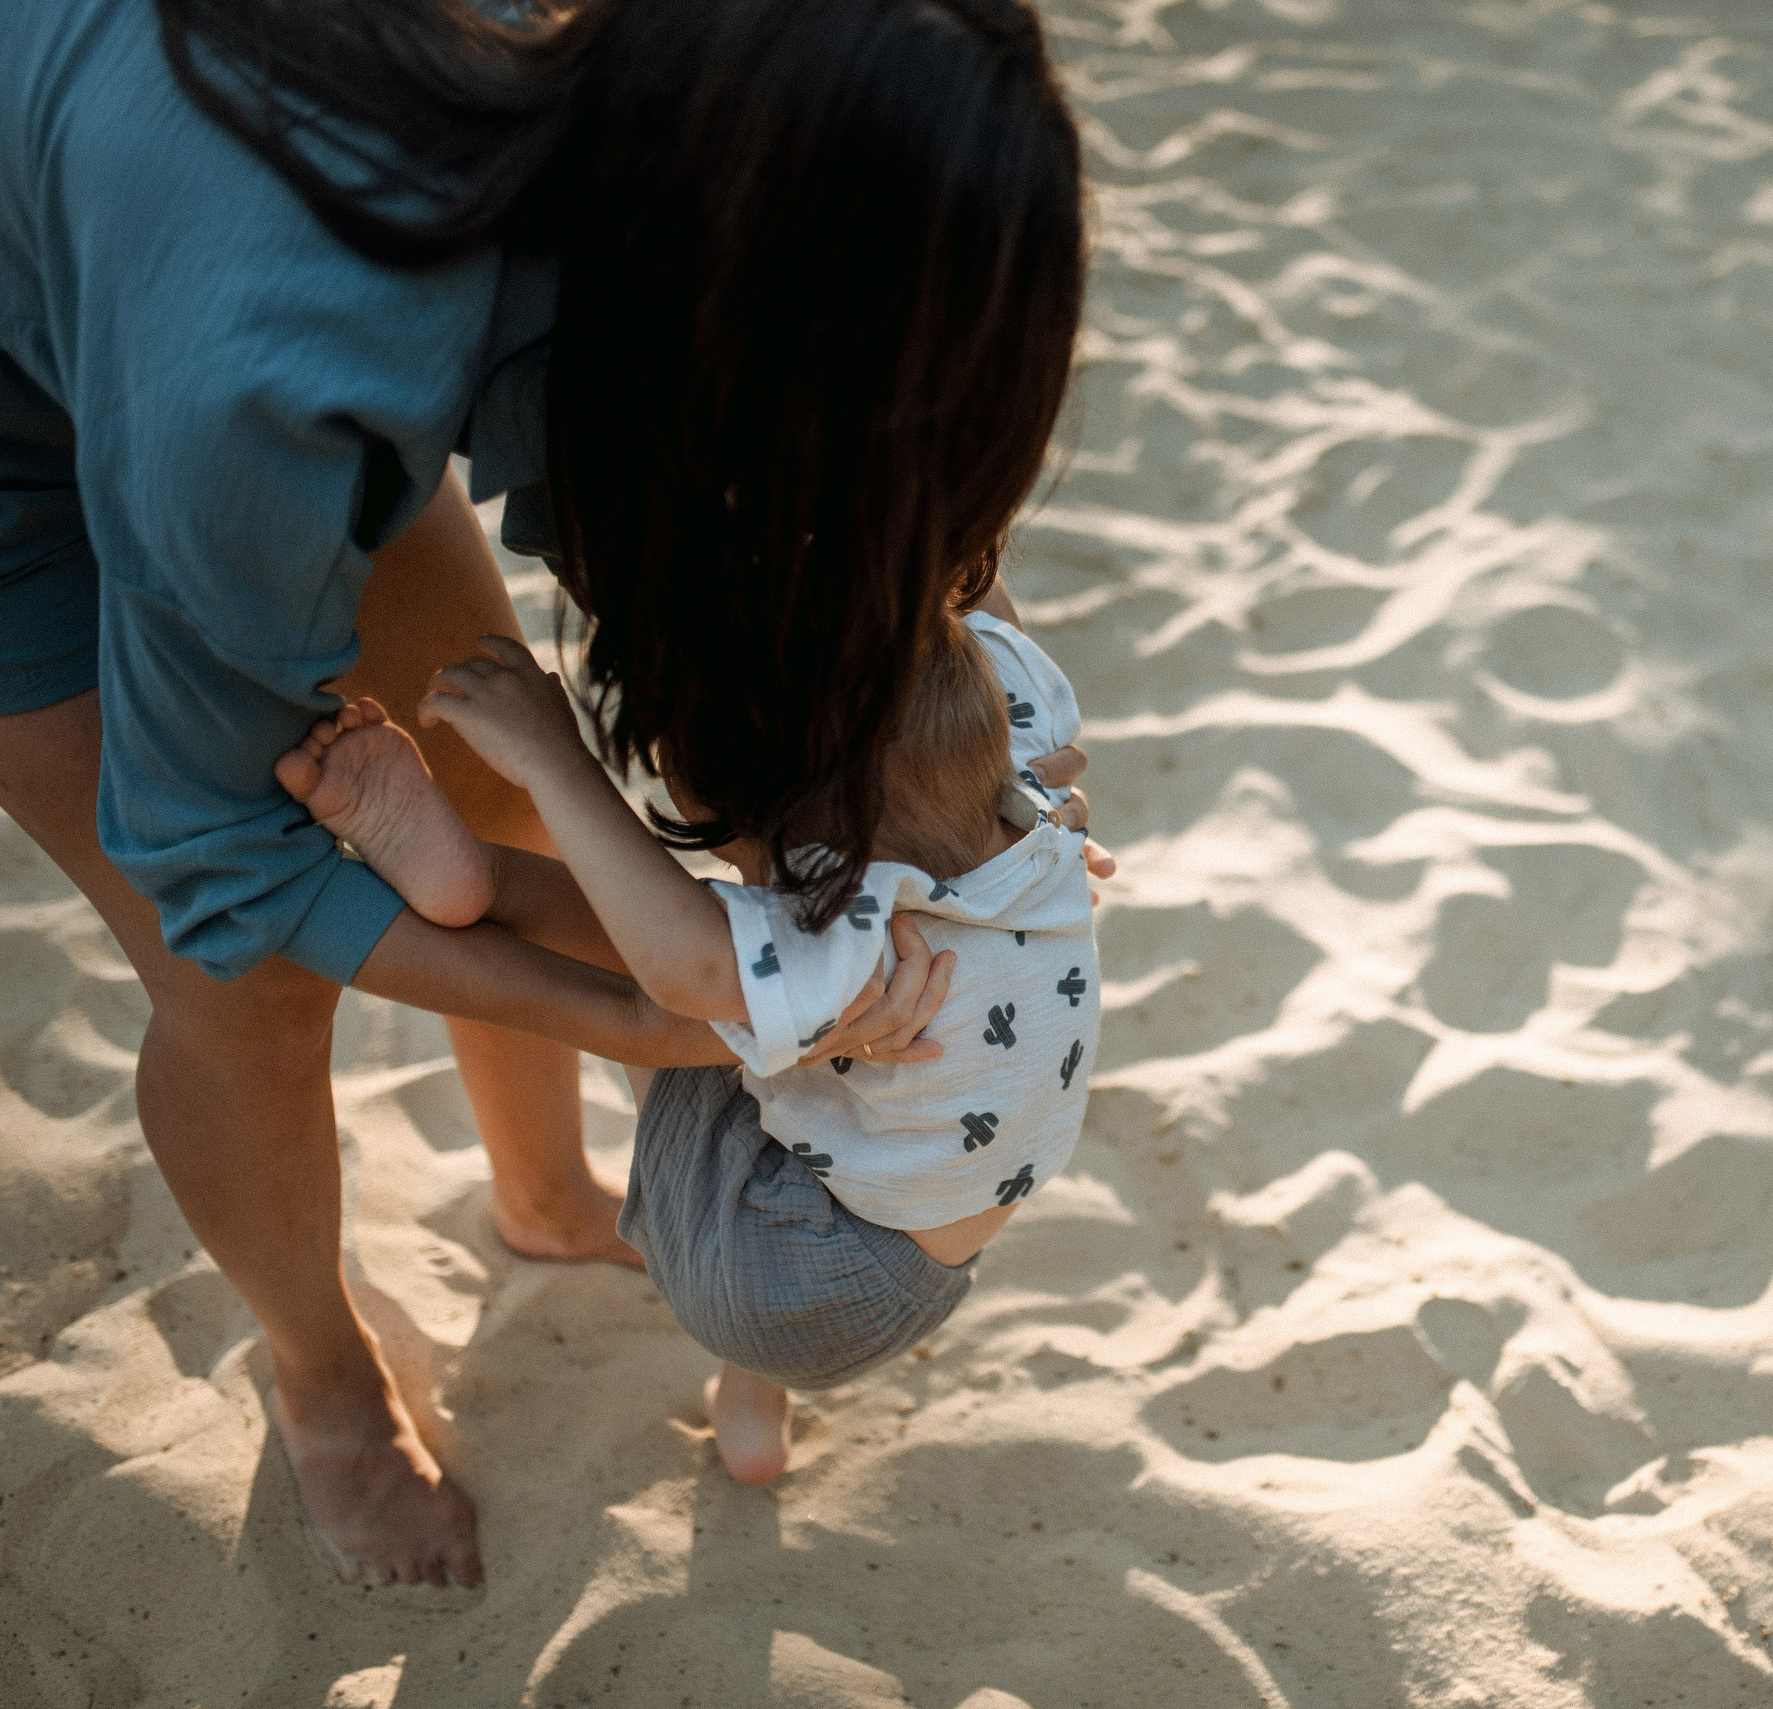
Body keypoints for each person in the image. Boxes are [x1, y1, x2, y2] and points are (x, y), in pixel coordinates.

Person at [0, 0, 1101, 1585]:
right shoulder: (285, 361)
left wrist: (969, 845)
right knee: (235, 987)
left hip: (221, 273)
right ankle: (321, 1377)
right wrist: (670, 1023)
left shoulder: (603, 139)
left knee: (499, 782)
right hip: (34, 431)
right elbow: (221, 871)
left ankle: (540, 1188)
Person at [276, 606, 1096, 1483]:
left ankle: (479, 880)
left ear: (833, 860)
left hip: (782, 1271)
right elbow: (982, 606)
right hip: (915, 1258)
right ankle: (751, 1409)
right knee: (781, 1021)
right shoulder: (1018, 740)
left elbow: (671, 970)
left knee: (689, 975)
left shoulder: (867, 944)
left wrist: (555, 762)